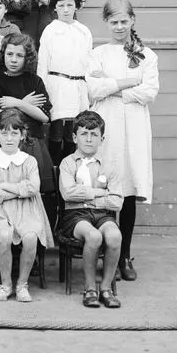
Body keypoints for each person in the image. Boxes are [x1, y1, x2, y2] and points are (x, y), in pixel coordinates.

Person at [86, 0, 159, 282]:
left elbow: (149, 92)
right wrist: (130, 82)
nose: (119, 27)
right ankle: (107, 255)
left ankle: (124, 255)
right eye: (113, 22)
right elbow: (93, 87)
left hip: (135, 127)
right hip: (107, 123)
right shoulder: (99, 53)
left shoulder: (147, 55)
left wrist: (113, 86)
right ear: (106, 23)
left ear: (132, 20)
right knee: (106, 186)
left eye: (123, 21)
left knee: (127, 189)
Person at [0, 109, 54, 303]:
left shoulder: (29, 161)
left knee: (30, 237)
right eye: (4, 133)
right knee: (3, 236)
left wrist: (3, 187)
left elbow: (33, 188)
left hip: (27, 210)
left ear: (22, 135)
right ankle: (5, 284)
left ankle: (22, 284)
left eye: (14, 133)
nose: (9, 138)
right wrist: (18, 189)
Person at [58, 110, 124, 308]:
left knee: (114, 236)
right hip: (75, 216)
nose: (89, 139)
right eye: (84, 134)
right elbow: (68, 194)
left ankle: (105, 288)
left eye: (94, 134)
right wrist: (100, 192)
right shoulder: (68, 163)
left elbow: (117, 202)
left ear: (101, 138)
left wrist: (87, 197)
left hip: (102, 215)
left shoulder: (110, 166)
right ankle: (89, 288)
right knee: (93, 236)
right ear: (74, 137)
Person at [0, 33, 57, 225]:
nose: (13, 59)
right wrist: (25, 104)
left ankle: (38, 234)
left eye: (19, 56)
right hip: (6, 145)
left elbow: (44, 116)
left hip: (32, 143)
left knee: (37, 189)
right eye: (9, 54)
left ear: (27, 58)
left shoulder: (34, 81)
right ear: (3, 55)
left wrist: (16, 103)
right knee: (9, 189)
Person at [37, 0, 92, 167]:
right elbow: (43, 62)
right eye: (61, 6)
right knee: (57, 130)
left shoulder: (84, 31)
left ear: (76, 6)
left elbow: (88, 62)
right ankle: (55, 169)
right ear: (54, 8)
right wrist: (43, 91)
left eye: (70, 5)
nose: (66, 10)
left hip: (78, 86)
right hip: (57, 85)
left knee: (74, 130)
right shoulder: (51, 30)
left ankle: (70, 168)